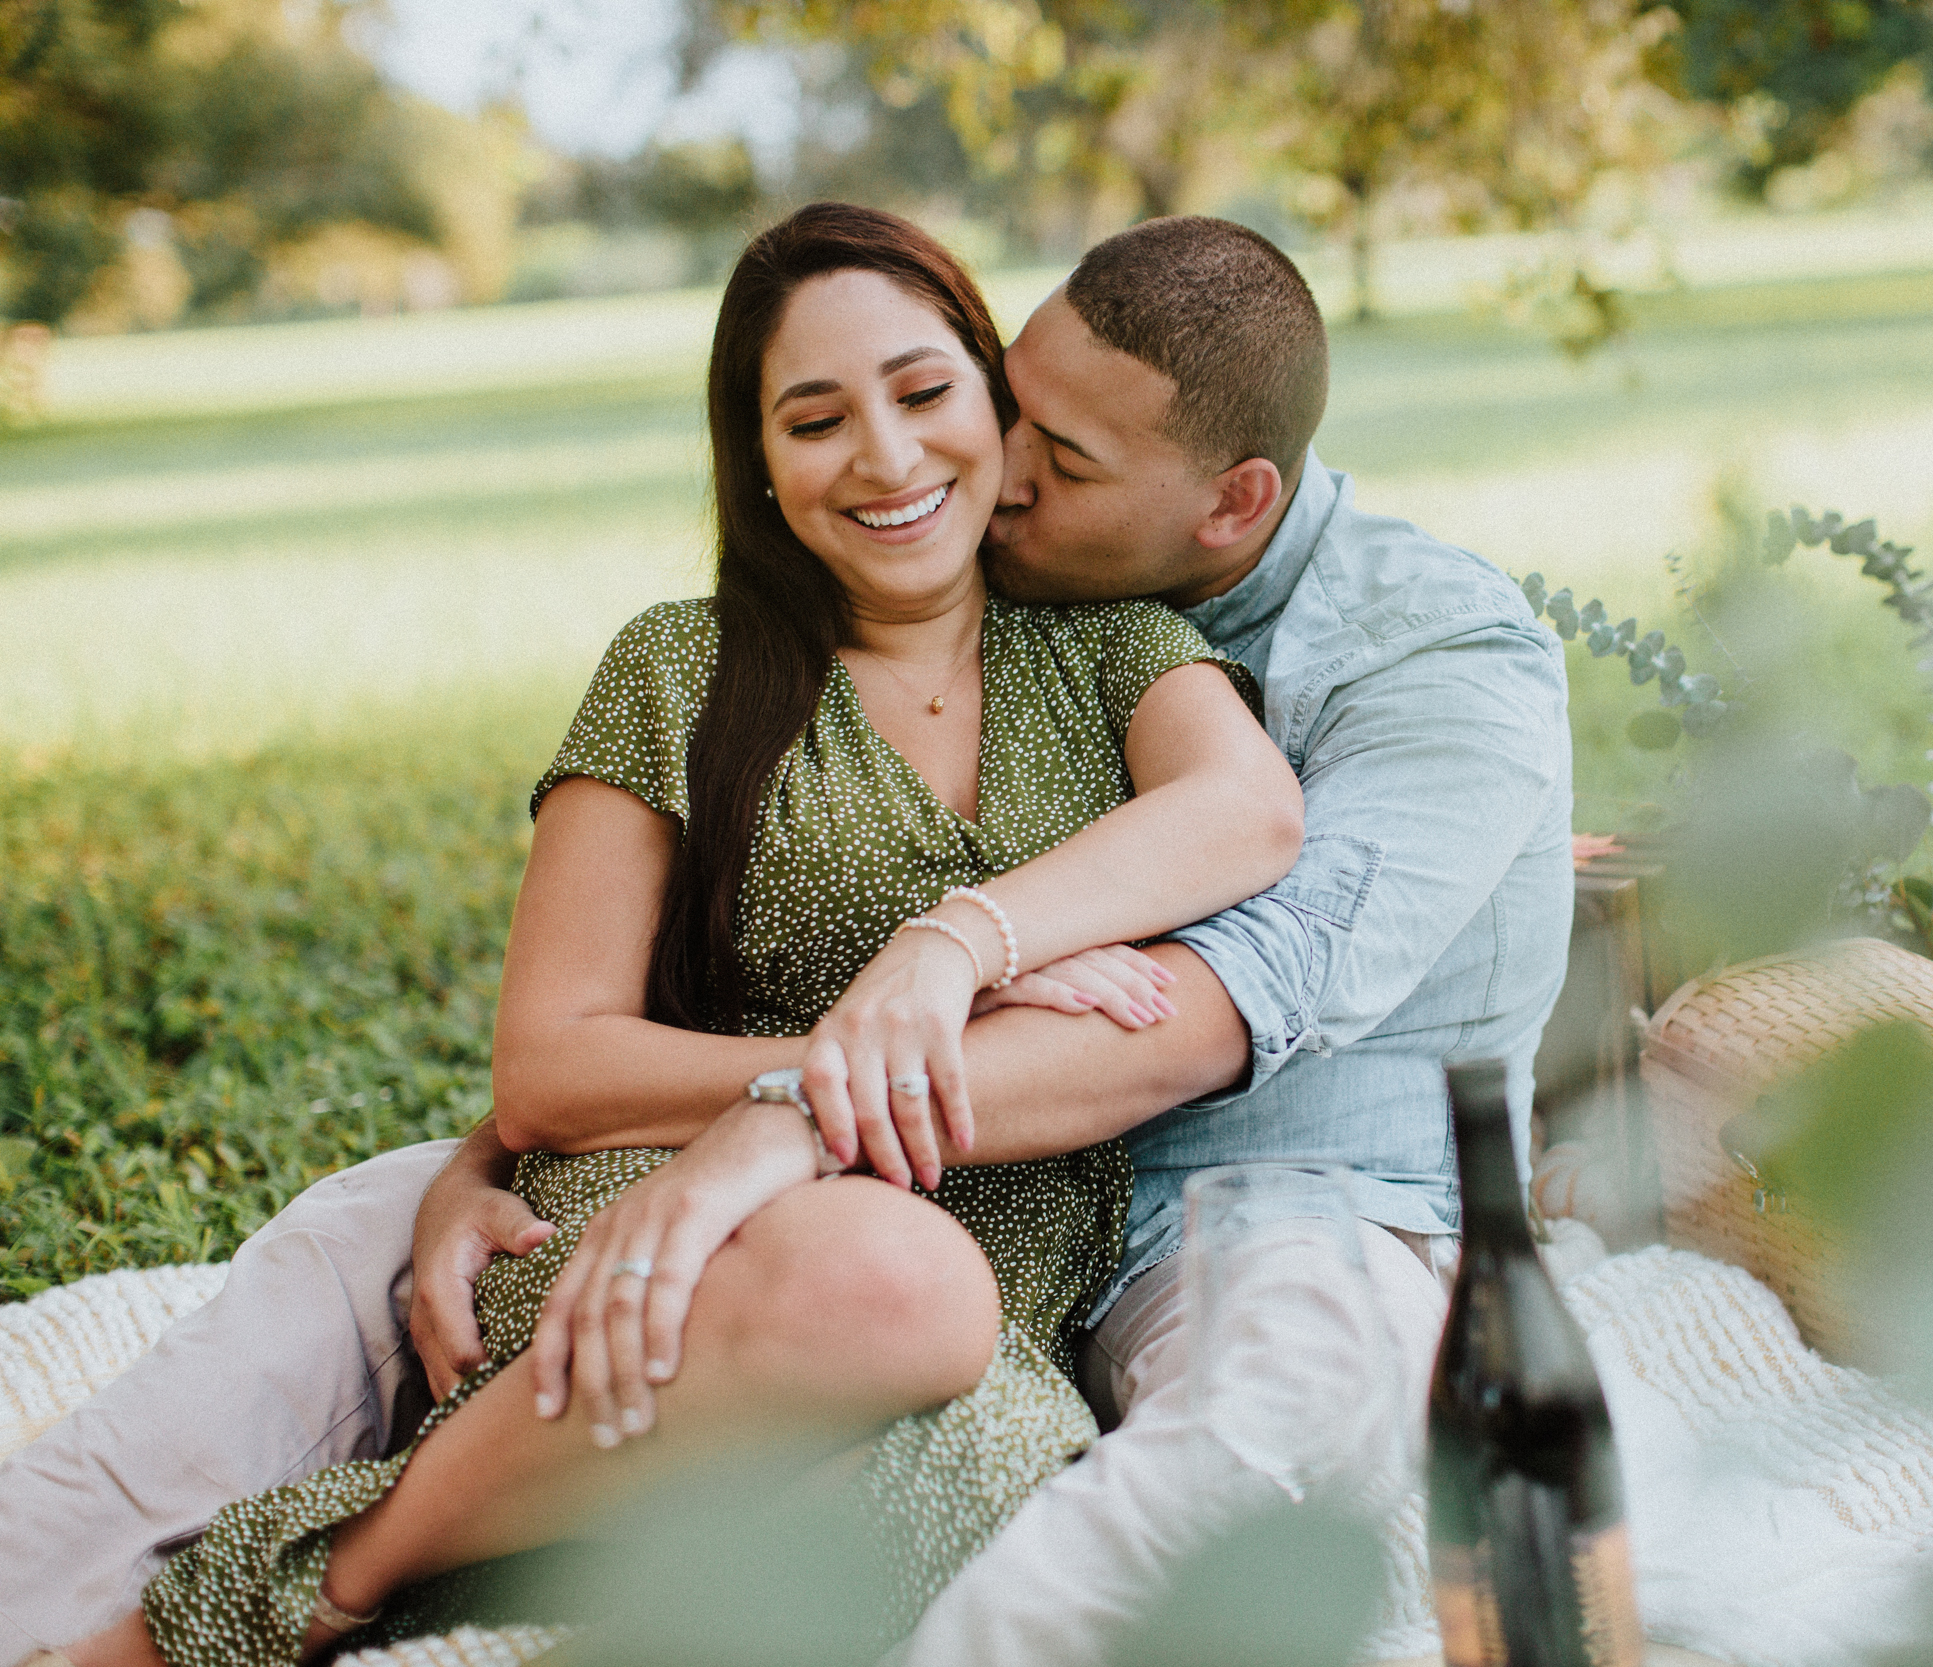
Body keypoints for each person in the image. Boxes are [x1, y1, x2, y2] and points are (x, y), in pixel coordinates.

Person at [0, 213, 1575, 1667]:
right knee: (346, 1268)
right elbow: (556, 1063)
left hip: (1146, 1226)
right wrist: (577, 1134)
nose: (978, 470)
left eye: (1005, 431)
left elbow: (1242, 908)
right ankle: (194, 1596)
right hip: (747, 1196)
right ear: (754, 456)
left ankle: (403, 1555)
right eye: (822, 418)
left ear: (1229, 502)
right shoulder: (697, 665)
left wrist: (938, 966)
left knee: (1056, 1486)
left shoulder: (1254, 650)